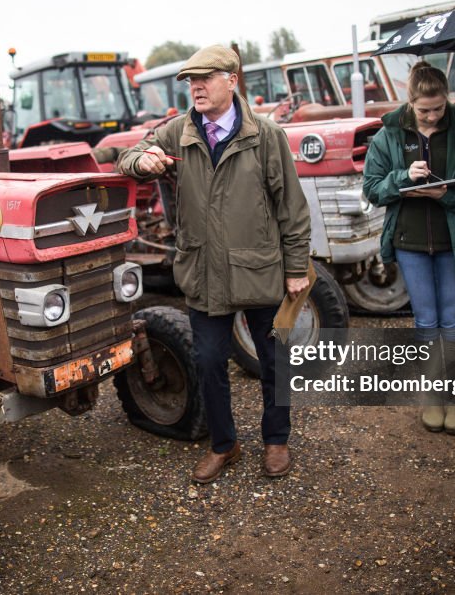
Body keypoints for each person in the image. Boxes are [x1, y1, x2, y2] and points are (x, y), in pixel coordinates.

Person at [116, 45, 311, 483]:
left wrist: (297, 268)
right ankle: (225, 444)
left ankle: (276, 440)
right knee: (207, 362)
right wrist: (141, 160)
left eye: (206, 78)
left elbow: (292, 209)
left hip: (258, 267)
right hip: (203, 270)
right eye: (190, 81)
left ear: (232, 79)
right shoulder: (178, 132)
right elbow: (125, 158)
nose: (196, 87)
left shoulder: (265, 136)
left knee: (272, 359)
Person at [362, 62, 455, 435]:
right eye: (425, 110)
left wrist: (446, 195)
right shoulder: (388, 134)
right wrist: (403, 178)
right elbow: (372, 188)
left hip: (453, 240)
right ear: (410, 103)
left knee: (453, 321)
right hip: (409, 242)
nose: (433, 115)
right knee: (425, 322)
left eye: (439, 108)